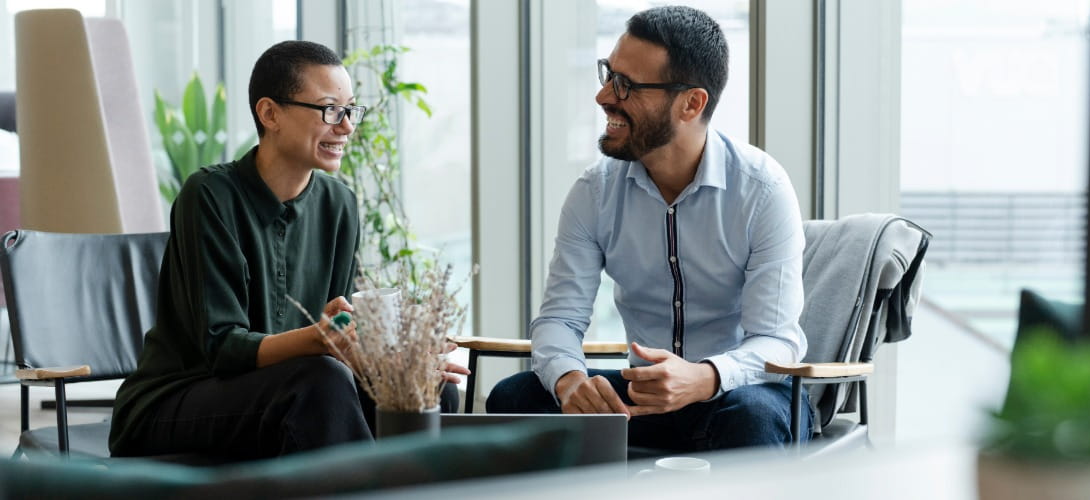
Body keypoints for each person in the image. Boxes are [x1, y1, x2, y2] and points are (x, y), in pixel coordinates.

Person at [110, 40, 466, 459]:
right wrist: (319, 340)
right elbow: (222, 347)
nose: (347, 126)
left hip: (291, 388)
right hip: (176, 401)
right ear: (270, 113)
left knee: (425, 390)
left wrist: (395, 360)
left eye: (351, 110)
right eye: (330, 109)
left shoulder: (339, 205)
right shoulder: (208, 195)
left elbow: (337, 330)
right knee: (321, 382)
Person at [486, 6, 812, 451]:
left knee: (753, 416)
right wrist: (570, 381)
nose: (603, 96)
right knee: (515, 397)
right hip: (642, 397)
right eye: (608, 74)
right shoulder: (594, 191)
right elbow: (560, 318)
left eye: (626, 85)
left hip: (737, 393)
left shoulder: (762, 189)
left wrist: (704, 377)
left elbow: (777, 341)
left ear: (691, 103)